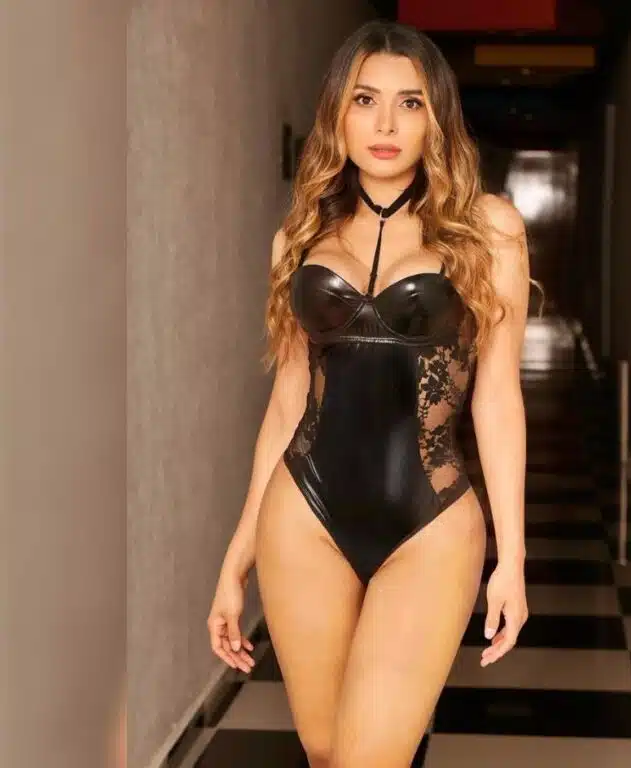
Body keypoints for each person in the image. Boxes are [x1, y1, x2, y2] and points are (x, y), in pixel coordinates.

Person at [208, 19, 531, 767]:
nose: (385, 124)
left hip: (430, 523)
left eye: (409, 103)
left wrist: (512, 558)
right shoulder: (300, 236)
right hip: (304, 517)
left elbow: (497, 399)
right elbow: (288, 402)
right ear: (338, 114)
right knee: (326, 752)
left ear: (435, 118)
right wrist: (237, 555)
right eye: (365, 99)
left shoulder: (489, 230)